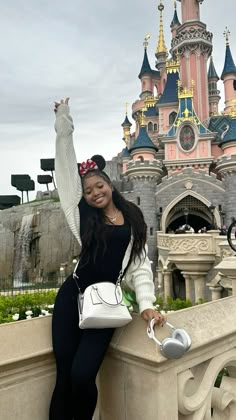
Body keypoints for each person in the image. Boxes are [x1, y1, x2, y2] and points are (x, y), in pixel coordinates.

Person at [49, 98, 166, 420]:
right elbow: (65, 173)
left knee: (82, 375)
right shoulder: (82, 217)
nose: (95, 193)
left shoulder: (132, 218)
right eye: (88, 191)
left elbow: (140, 265)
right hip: (72, 297)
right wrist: (64, 126)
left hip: (107, 302)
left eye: (99, 186)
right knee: (64, 376)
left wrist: (146, 304)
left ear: (110, 184)